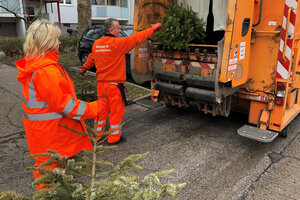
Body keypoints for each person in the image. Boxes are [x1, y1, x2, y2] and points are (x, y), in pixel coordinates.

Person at [15, 19, 100, 190]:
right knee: (56, 187)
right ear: (48, 43)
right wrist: (96, 108)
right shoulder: (46, 71)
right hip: (55, 140)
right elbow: (66, 106)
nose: (60, 42)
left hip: (44, 138)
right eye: (56, 39)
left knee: (49, 182)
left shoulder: (37, 66)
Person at [80, 18, 162, 145]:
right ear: (111, 30)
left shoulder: (97, 44)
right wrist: (152, 29)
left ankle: (97, 136)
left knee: (101, 112)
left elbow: (91, 57)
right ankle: (114, 138)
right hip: (114, 87)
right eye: (118, 28)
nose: (119, 30)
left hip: (101, 86)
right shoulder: (118, 43)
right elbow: (137, 38)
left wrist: (84, 68)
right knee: (116, 112)